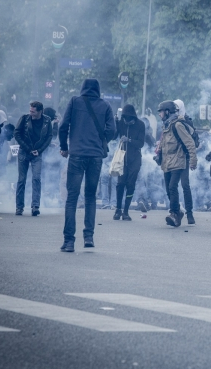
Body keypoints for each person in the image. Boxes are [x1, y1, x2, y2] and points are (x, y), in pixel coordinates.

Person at [58, 78, 116, 252]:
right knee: (90, 196)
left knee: (72, 198)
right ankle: (88, 236)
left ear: (83, 88)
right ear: (98, 90)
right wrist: (101, 140)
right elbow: (112, 130)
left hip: (76, 155)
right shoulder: (105, 106)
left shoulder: (74, 102)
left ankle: (69, 241)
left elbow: (63, 127)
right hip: (95, 157)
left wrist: (64, 147)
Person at [156, 100, 197, 228]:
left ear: (167, 112)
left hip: (178, 161)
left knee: (173, 186)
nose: (160, 115)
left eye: (161, 112)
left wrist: (193, 160)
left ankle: (174, 213)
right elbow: (163, 144)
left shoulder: (178, 125)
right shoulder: (166, 126)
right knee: (168, 188)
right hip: (167, 163)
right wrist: (159, 155)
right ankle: (178, 212)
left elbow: (189, 142)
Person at [13, 101, 52, 216]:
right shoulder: (24, 118)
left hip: (37, 153)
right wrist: (26, 148)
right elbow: (16, 133)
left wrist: (39, 151)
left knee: (36, 178)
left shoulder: (47, 120)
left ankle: (35, 206)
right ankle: (19, 207)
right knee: (21, 179)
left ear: (40, 111)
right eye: (30, 110)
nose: (31, 113)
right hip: (24, 152)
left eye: (33, 112)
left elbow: (49, 137)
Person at [113, 104, 145, 221]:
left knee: (130, 185)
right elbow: (113, 136)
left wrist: (129, 140)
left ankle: (126, 211)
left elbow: (141, 143)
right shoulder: (121, 123)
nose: (127, 121)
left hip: (135, 158)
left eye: (129, 119)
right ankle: (118, 209)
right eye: (125, 118)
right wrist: (114, 124)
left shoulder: (140, 125)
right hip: (122, 158)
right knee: (120, 184)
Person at [172, 99, 195, 224]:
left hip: (184, 157)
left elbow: (190, 141)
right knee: (172, 185)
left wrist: (192, 158)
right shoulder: (171, 121)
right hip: (174, 157)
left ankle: (189, 213)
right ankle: (175, 211)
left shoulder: (186, 121)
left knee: (185, 185)